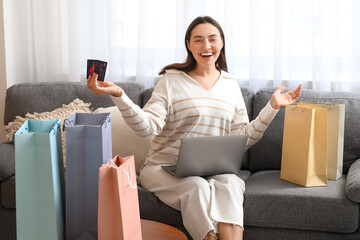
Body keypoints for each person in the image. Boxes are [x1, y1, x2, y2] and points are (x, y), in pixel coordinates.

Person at [87, 16, 302, 240]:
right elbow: (147, 127)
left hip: (214, 172)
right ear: (188, 45)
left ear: (222, 43)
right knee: (197, 187)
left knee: (230, 184)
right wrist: (119, 95)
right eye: (198, 40)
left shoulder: (230, 85)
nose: (206, 46)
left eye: (212, 39)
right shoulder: (171, 81)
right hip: (163, 168)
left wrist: (273, 106)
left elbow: (243, 139)